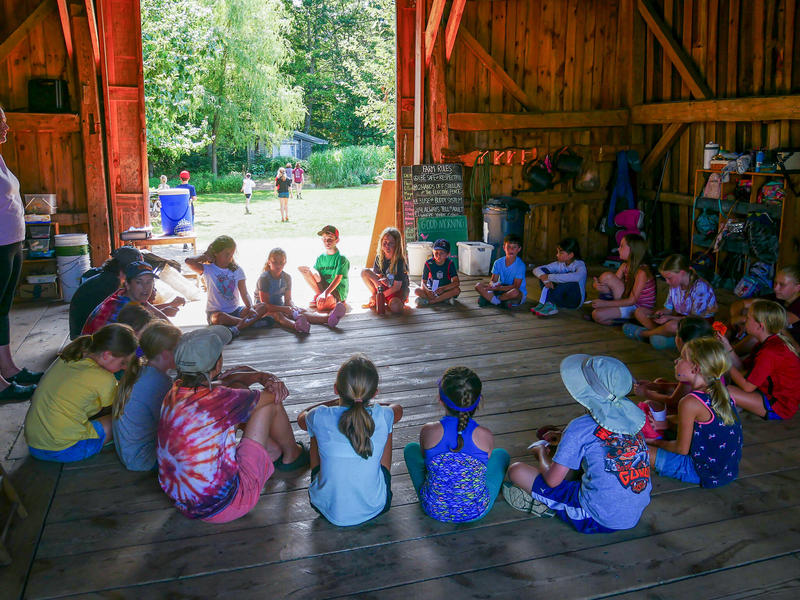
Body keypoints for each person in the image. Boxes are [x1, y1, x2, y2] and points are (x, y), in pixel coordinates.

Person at [157, 326, 308, 522]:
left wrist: (257, 376)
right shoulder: (220, 399)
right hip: (227, 505)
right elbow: (272, 397)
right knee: (268, 405)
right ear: (218, 364)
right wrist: (266, 378)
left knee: (243, 395)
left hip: (185, 502)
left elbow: (227, 383)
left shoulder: (174, 392)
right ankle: (292, 455)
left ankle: (273, 451)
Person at [503, 354, 651, 533]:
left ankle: (545, 505)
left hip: (595, 517)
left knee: (517, 471)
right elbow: (607, 441)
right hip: (632, 514)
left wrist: (541, 453)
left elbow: (552, 481)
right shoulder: (632, 419)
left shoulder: (579, 427)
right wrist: (563, 436)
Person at [297, 354, 403, 526]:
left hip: (326, 507)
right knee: (387, 425)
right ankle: (378, 483)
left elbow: (302, 417)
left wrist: (332, 402)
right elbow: (397, 409)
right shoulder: (382, 414)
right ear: (374, 393)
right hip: (375, 506)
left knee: (315, 430)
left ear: (336, 389)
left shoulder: (320, 415)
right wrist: (370, 404)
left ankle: (322, 483)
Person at [404, 366, 509, 522]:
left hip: (434, 508)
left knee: (410, 449)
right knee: (501, 455)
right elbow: (484, 465)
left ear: (440, 400)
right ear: (479, 401)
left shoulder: (428, 431)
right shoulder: (484, 435)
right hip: (475, 511)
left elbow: (425, 458)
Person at [24, 324, 138, 462]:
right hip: (64, 450)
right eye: (123, 363)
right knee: (121, 420)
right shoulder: (103, 378)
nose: (124, 368)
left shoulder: (72, 355)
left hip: (34, 444)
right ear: (107, 355)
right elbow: (122, 404)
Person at [647, 337, 742, 488]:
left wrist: (654, 442)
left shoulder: (690, 402)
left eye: (682, 358)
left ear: (696, 369)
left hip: (700, 472)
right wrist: (667, 423)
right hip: (726, 471)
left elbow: (681, 450)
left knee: (636, 450)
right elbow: (705, 427)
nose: (676, 361)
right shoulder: (721, 392)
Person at [0, 105, 42, 400]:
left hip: (12, 243)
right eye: (0, 122)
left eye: (5, 121)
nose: (6, 127)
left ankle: (8, 368)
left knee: (3, 309)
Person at [113, 321, 181, 471]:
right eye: (179, 349)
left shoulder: (140, 371)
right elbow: (171, 424)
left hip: (129, 452)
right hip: (144, 458)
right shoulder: (159, 383)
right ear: (165, 354)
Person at [633, 317, 715, 434]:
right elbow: (682, 388)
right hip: (702, 410)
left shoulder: (689, 367)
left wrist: (647, 393)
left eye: (681, 359)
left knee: (649, 406)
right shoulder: (708, 358)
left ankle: (663, 431)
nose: (676, 361)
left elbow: (673, 400)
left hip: (695, 420)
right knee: (660, 382)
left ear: (680, 340)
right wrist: (652, 386)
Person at [721, 299, 800, 420]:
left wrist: (724, 362)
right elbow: (743, 369)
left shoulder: (770, 351)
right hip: (765, 390)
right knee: (725, 377)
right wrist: (727, 347)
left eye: (748, 318)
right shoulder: (767, 342)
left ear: (760, 326)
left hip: (780, 405)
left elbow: (747, 386)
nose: (745, 321)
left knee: (724, 390)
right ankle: (740, 403)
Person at [623, 254, 717, 350]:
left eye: (669, 278)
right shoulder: (674, 285)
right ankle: (661, 334)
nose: (667, 282)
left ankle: (644, 334)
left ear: (682, 273)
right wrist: (661, 313)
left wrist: (669, 318)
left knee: (671, 326)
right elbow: (668, 309)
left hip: (697, 326)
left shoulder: (700, 287)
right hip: (679, 320)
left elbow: (694, 320)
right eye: (665, 279)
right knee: (640, 312)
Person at [185, 235, 271, 337]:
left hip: (236, 311)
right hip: (216, 313)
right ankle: (249, 324)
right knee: (220, 318)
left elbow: (244, 293)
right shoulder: (208, 269)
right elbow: (188, 262)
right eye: (226, 254)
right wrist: (205, 256)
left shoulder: (237, 270)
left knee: (263, 306)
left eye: (231, 254)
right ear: (215, 253)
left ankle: (238, 327)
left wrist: (250, 307)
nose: (230, 257)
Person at [256, 248, 346, 334]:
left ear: (285, 263)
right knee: (279, 315)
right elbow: (265, 305)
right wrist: (284, 309)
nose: (278, 265)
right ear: (269, 262)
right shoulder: (264, 278)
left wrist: (292, 307)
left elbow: (288, 300)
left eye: (281, 262)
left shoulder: (287, 277)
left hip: (279, 306)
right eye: (275, 262)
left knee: (300, 311)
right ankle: (297, 326)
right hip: (262, 310)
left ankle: (328, 319)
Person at [68, 246, 144, 339]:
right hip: (85, 339)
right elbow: (125, 313)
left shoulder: (107, 277)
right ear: (127, 268)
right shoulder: (111, 284)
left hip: (81, 332)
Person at [82, 262, 170, 335]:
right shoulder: (121, 307)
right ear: (127, 284)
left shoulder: (127, 295)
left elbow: (165, 321)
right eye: (139, 282)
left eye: (149, 282)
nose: (145, 287)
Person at [728, 264, 800, 354]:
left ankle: (729, 354)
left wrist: (742, 319)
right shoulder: (778, 297)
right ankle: (719, 342)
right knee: (742, 313)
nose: (775, 288)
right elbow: (740, 304)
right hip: (771, 335)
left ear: (798, 287)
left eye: (782, 285)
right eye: (775, 283)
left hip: (791, 346)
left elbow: (773, 320)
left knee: (761, 330)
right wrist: (736, 317)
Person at [591, 234, 656, 325]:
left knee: (597, 315)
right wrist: (598, 286)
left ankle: (626, 320)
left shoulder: (642, 272)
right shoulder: (624, 266)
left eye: (622, 246)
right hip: (627, 301)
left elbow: (632, 301)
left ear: (632, 250)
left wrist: (605, 303)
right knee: (606, 276)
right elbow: (612, 285)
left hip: (638, 308)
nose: (618, 249)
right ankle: (616, 314)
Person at [298, 225, 350, 313]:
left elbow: (338, 279)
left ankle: (336, 303)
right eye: (324, 239)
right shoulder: (321, 257)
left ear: (337, 240)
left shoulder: (341, 258)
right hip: (324, 287)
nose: (327, 242)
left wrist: (325, 293)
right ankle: (320, 297)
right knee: (305, 271)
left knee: (321, 307)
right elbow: (315, 272)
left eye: (330, 239)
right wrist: (312, 272)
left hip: (336, 290)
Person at [530, 237, 587, 316]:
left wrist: (549, 277)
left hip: (574, 301)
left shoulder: (580, 265)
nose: (557, 255)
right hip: (561, 300)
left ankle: (550, 303)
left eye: (561, 253)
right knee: (543, 274)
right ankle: (547, 303)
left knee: (569, 281)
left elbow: (576, 277)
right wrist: (546, 280)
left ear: (570, 255)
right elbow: (536, 269)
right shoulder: (559, 264)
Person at [361, 227, 410, 314]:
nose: (387, 245)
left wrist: (381, 295)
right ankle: (376, 296)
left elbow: (396, 287)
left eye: (391, 243)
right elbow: (378, 277)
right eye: (385, 242)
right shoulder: (379, 258)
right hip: (384, 287)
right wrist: (382, 280)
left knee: (396, 307)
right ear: (381, 243)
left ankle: (381, 299)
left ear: (397, 245)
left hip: (397, 291)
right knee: (364, 272)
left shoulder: (399, 261)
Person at [475, 233, 526, 308]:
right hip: (500, 288)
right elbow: (493, 280)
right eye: (508, 247)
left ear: (519, 249)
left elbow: (516, 286)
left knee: (515, 292)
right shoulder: (498, 262)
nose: (511, 250)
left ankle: (492, 299)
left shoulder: (520, 265)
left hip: (512, 290)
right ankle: (499, 301)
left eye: (514, 247)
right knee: (478, 286)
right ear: (504, 247)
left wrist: (498, 288)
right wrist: (493, 285)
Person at [414, 239, 461, 307]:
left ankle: (430, 301)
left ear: (448, 254)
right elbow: (423, 282)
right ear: (433, 252)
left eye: (442, 253)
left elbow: (456, 282)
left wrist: (443, 288)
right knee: (417, 290)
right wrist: (428, 291)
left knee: (457, 290)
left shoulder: (450, 263)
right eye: (436, 252)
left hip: (445, 290)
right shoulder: (428, 263)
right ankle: (443, 299)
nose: (438, 255)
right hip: (432, 290)